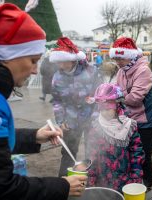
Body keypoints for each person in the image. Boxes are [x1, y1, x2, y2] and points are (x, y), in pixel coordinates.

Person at [0, 3, 86, 200]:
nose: (36, 70)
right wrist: (62, 186)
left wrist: (34, 137)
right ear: (6, 56)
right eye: (32, 60)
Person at [111, 37, 152, 189]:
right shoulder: (122, 70)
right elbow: (115, 89)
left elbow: (135, 99)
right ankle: (133, 181)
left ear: (131, 55)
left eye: (121, 58)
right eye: (115, 58)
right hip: (129, 119)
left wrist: (115, 97)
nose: (118, 62)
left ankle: (147, 184)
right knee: (129, 153)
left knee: (144, 155)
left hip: (147, 121)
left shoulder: (143, 70)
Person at [49, 37, 102, 177]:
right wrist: (61, 121)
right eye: (57, 60)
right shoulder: (57, 77)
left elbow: (99, 96)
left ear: (71, 59)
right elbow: (57, 101)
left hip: (91, 119)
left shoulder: (92, 71)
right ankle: (63, 182)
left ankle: (92, 180)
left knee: (92, 152)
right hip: (70, 121)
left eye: (61, 60)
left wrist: (96, 118)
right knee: (68, 152)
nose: (58, 63)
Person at [87, 83, 145, 191]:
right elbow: (92, 154)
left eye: (108, 109)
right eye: (102, 109)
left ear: (118, 106)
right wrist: (91, 178)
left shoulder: (129, 126)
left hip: (125, 181)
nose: (104, 113)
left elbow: (136, 152)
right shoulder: (96, 126)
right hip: (102, 181)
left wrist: (136, 176)